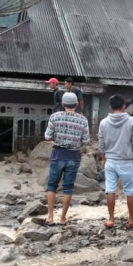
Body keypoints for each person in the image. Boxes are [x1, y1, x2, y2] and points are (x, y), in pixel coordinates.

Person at [44, 92, 90, 226]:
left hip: (57, 155)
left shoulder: (54, 117)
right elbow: (86, 140)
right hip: (74, 156)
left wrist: (54, 141)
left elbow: (47, 136)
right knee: (68, 188)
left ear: (63, 104)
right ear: (76, 104)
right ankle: (63, 218)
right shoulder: (82, 120)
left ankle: (50, 216)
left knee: (52, 186)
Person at [98, 95, 133, 229]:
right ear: (124, 106)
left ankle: (111, 219)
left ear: (110, 107)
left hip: (110, 160)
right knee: (130, 191)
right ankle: (131, 218)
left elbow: (101, 142)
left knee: (110, 189)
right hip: (125, 161)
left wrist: (103, 158)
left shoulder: (104, 122)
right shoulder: (131, 121)